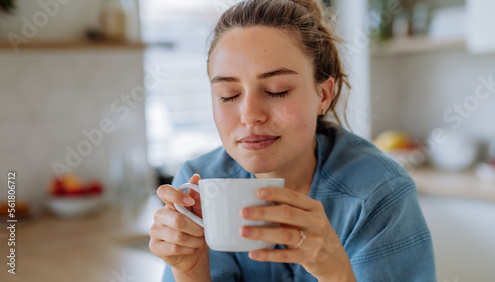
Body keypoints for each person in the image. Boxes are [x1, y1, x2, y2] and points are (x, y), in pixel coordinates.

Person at [149, 0, 437, 281]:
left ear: (323, 95)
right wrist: (189, 270)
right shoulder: (199, 186)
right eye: (229, 95)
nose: (250, 116)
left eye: (277, 90)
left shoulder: (378, 193)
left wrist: (336, 273)